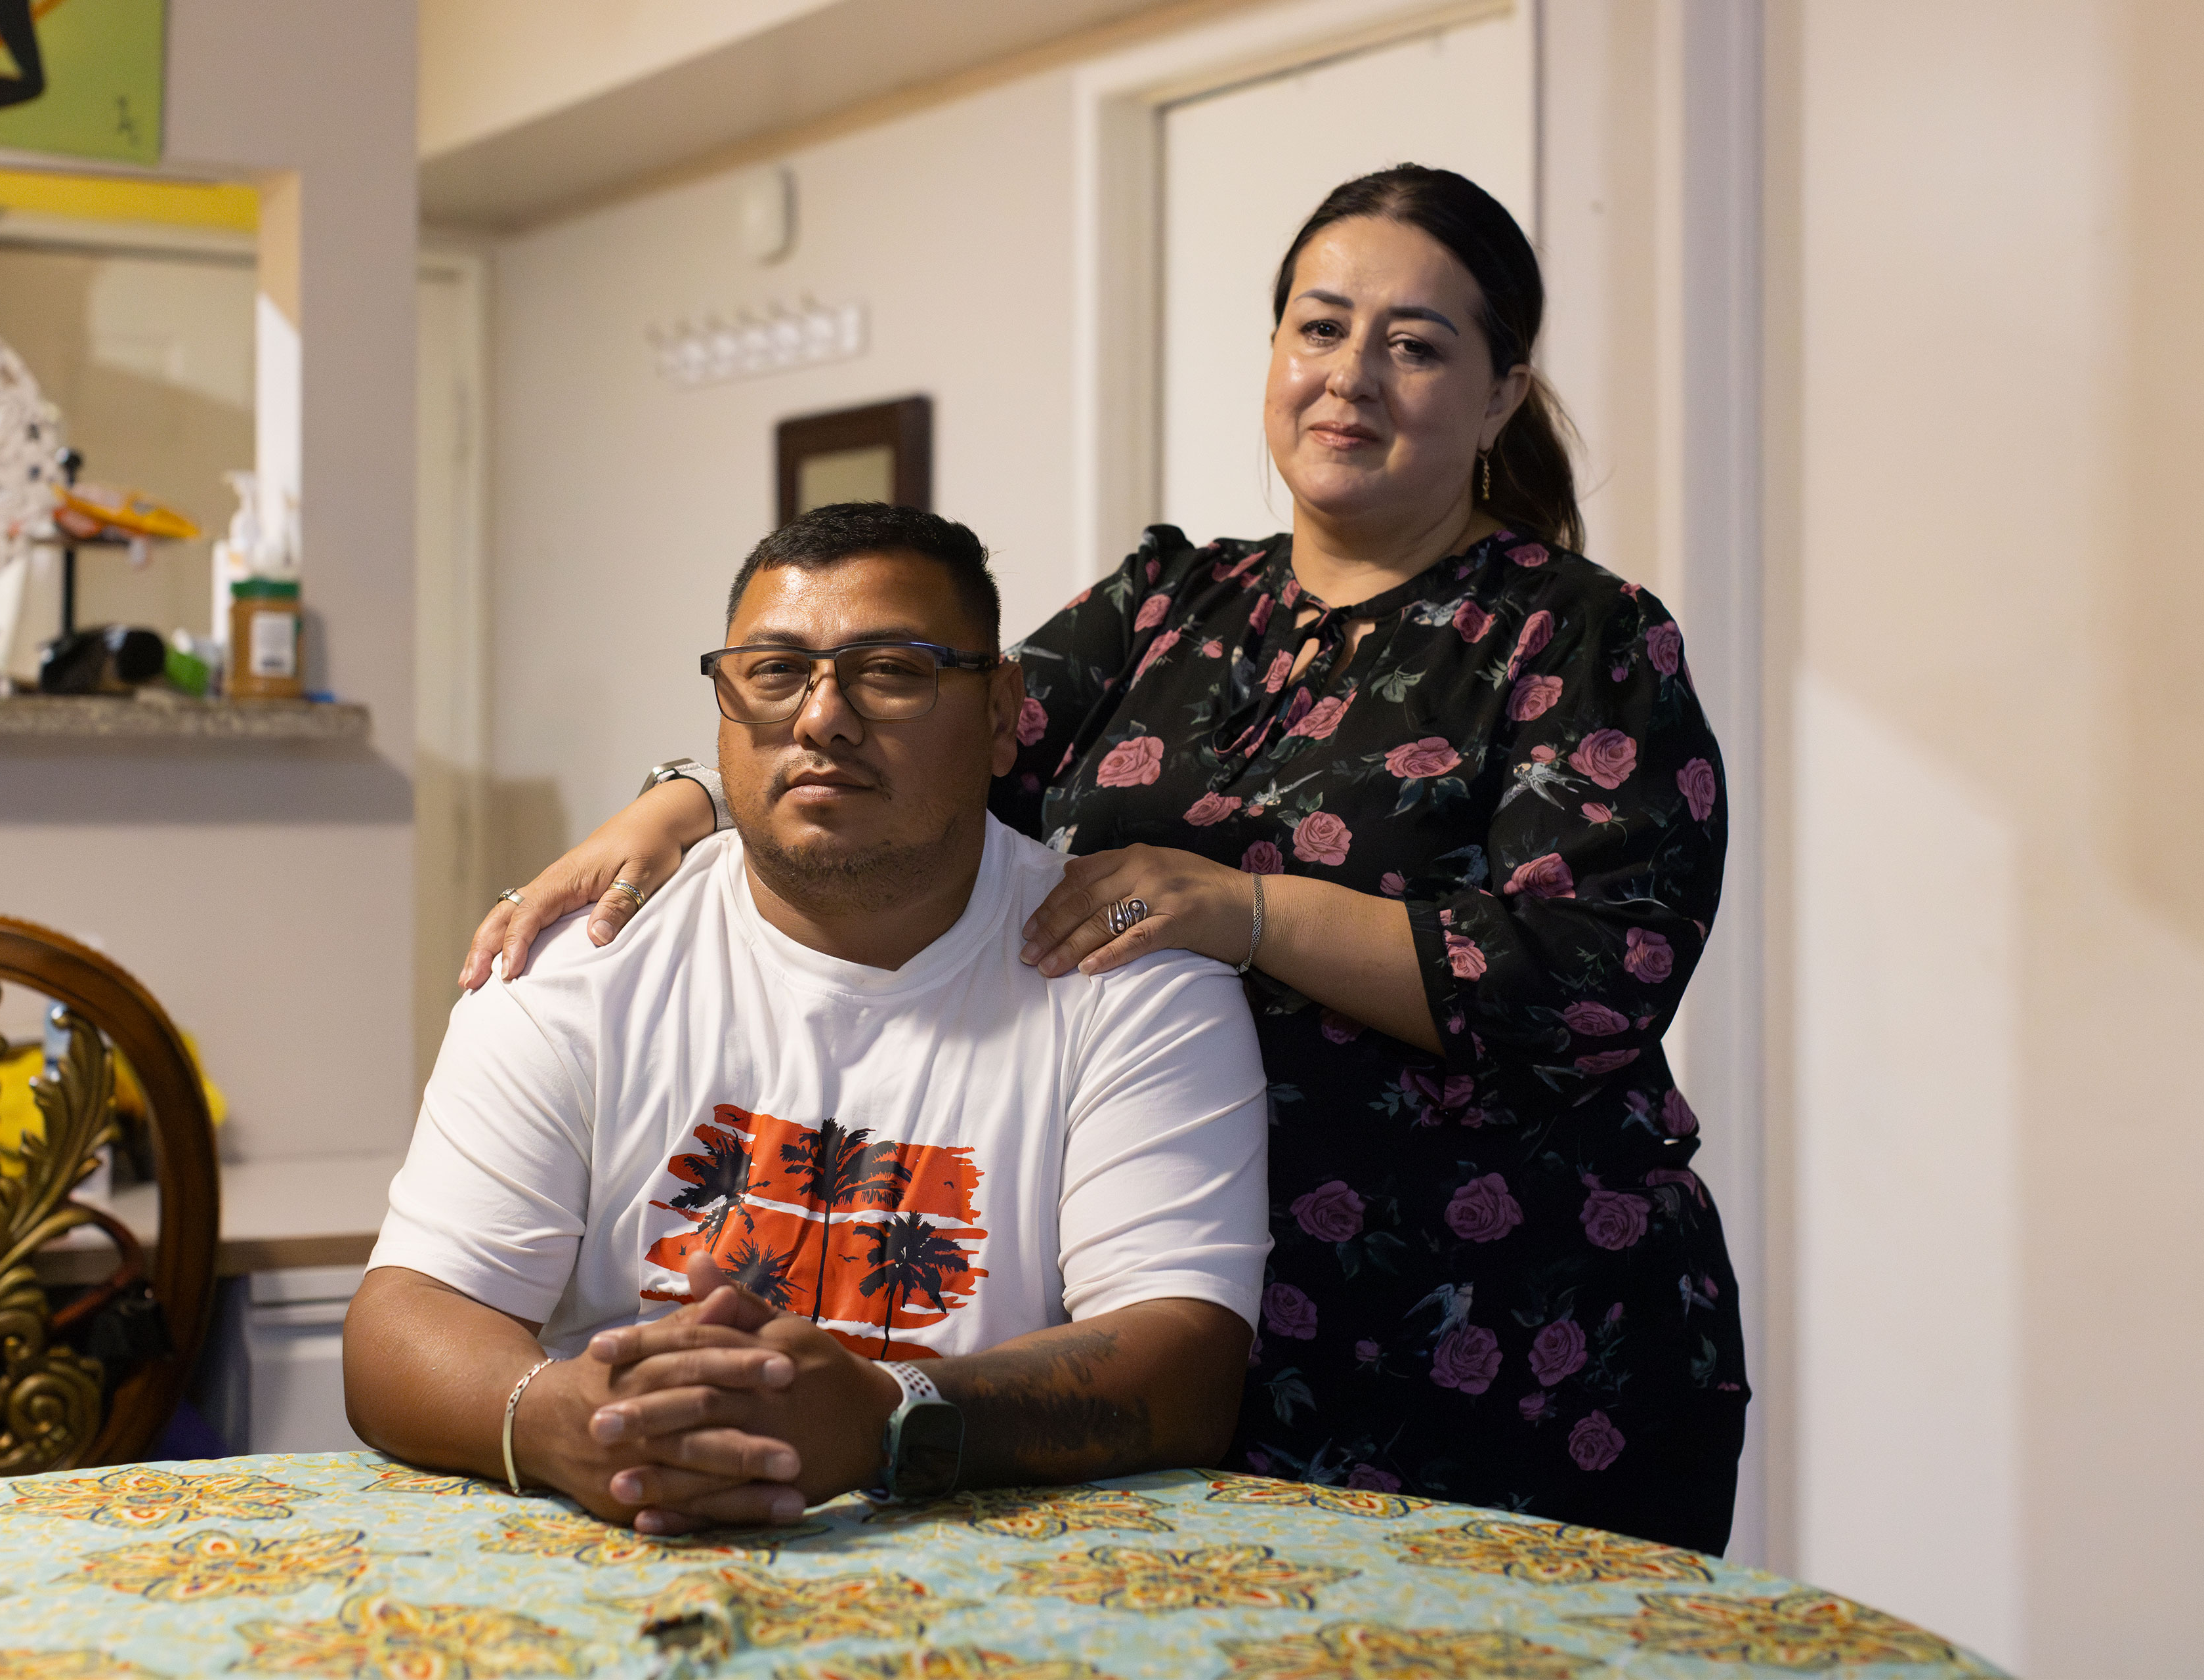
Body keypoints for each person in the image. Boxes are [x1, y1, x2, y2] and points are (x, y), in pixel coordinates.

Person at [463, 165, 1750, 1553]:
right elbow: (934, 733)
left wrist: (1249, 909)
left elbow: (1596, 979)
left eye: (1416, 345)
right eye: (1320, 329)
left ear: (1500, 395)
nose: (1352, 377)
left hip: (1517, 1336)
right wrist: (677, 805)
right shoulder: (1173, 600)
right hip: (1212, 1326)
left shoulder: (1576, 635)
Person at [348, 503, 1271, 1534]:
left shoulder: (1133, 979)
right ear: (724, 710)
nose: (822, 719)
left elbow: (1182, 1358)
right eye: (776, 673)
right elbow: (401, 1325)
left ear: (1004, 709)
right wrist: (557, 1418)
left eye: (892, 672)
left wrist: (892, 1416)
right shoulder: (571, 965)